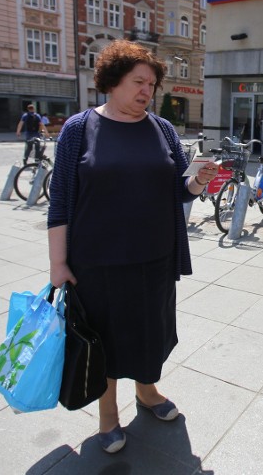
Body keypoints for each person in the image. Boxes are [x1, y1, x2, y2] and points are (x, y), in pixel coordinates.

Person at [47, 39, 220, 454]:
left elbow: (179, 188)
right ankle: (108, 417)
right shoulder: (79, 128)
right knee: (103, 339)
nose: (147, 91)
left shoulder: (161, 129)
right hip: (97, 261)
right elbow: (61, 201)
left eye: (152, 85)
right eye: (138, 82)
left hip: (154, 259)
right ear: (112, 81)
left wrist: (200, 180)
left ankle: (148, 393)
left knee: (149, 333)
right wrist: (58, 263)